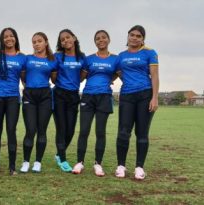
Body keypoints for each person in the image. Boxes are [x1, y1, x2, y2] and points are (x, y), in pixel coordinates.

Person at [115, 25, 159, 180]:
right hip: (127, 96)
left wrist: (154, 97)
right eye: (132, 35)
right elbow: (118, 73)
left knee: (142, 133)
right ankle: (121, 166)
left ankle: (139, 167)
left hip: (145, 96)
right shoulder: (121, 56)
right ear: (128, 36)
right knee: (123, 132)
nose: (134, 38)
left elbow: (154, 76)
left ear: (143, 39)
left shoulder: (149, 53)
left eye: (138, 36)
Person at [72, 30, 118, 176]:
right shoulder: (89, 59)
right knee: (84, 131)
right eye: (97, 39)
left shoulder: (115, 59)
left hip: (104, 97)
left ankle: (98, 164)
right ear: (95, 42)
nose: (100, 40)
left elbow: (118, 73)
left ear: (108, 40)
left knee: (100, 132)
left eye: (103, 38)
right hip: (88, 96)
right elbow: (81, 77)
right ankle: (80, 162)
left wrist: (110, 80)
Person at [0, 27, 26, 176]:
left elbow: (24, 78)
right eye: (5, 37)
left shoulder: (22, 57)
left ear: (15, 38)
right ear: (2, 40)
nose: (9, 39)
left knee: (11, 131)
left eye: (11, 36)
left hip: (14, 98)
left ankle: (12, 167)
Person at [19, 32, 57, 173]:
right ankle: (26, 161)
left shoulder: (53, 60)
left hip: (45, 96)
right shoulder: (27, 58)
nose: (36, 44)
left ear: (46, 42)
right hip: (29, 95)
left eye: (39, 41)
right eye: (34, 42)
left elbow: (54, 79)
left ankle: (37, 162)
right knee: (30, 130)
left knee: (42, 130)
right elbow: (22, 76)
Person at [53, 29, 86, 172]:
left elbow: (82, 76)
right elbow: (53, 77)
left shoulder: (82, 57)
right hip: (59, 94)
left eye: (68, 37)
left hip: (73, 95)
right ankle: (63, 159)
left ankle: (58, 154)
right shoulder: (58, 56)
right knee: (61, 128)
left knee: (71, 130)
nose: (66, 40)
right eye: (62, 39)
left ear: (74, 37)